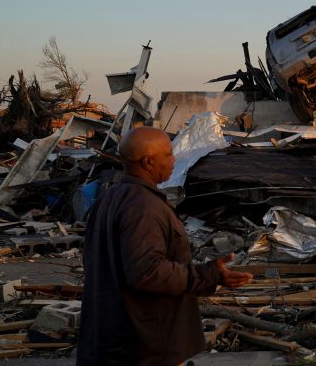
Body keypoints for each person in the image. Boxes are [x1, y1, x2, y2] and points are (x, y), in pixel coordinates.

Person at [77, 127, 253, 365]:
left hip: (114, 337)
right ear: (148, 162)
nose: (174, 160)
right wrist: (209, 274)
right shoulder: (142, 207)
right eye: (168, 154)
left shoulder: (111, 198)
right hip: (143, 345)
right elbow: (147, 272)